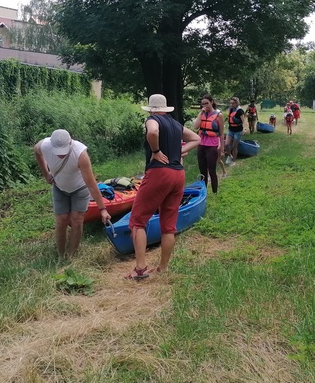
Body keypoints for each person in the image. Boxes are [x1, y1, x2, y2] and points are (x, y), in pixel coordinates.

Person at [126, 94, 200, 280]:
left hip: (160, 172)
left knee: (137, 221)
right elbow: (196, 139)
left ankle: (140, 269)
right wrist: (180, 151)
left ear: (151, 109)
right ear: (165, 109)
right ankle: (163, 268)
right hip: (178, 174)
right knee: (168, 225)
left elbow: (152, 132)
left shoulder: (152, 120)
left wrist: (156, 151)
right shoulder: (176, 124)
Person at [34, 129, 112, 259]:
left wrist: (102, 209)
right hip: (59, 187)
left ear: (70, 143)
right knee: (61, 221)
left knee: (77, 220)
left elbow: (91, 184)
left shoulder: (80, 154)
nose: (60, 155)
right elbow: (37, 152)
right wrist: (46, 174)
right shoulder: (44, 145)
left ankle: (72, 256)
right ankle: (61, 255)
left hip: (80, 189)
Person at [192, 94, 225, 194]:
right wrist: (200, 113)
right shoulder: (202, 114)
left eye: (207, 103)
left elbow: (222, 133)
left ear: (211, 102)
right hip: (201, 144)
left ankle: (215, 192)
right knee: (202, 170)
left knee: (212, 170)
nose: (205, 105)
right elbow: (196, 127)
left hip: (212, 145)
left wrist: (222, 149)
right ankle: (203, 193)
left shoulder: (219, 115)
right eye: (203, 104)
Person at [224, 96, 246, 165]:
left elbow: (243, 121)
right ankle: (230, 156)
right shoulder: (230, 109)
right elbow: (228, 118)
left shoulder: (240, 111)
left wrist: (244, 129)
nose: (231, 105)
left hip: (238, 131)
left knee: (234, 146)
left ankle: (233, 161)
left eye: (233, 103)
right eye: (230, 103)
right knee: (226, 144)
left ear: (237, 103)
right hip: (230, 129)